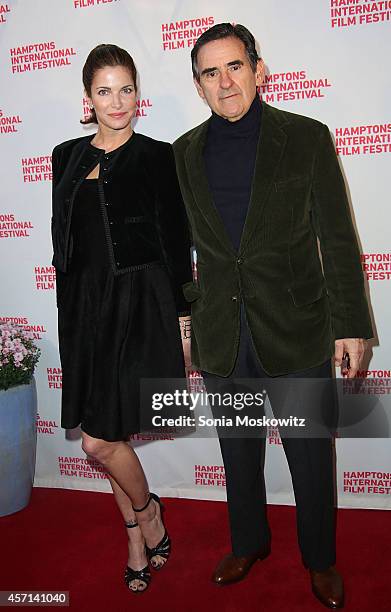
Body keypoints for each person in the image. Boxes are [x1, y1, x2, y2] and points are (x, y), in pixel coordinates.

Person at [173, 23, 373, 609]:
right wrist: (187, 319)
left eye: (235, 66)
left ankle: (319, 559)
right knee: (237, 449)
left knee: (311, 451)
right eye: (211, 73)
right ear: (198, 86)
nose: (225, 81)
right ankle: (248, 542)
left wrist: (351, 322)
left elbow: (336, 237)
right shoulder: (183, 154)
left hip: (296, 325)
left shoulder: (306, 138)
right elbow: (179, 249)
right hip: (222, 331)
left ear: (259, 69)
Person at [51, 44, 192, 593]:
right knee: (107, 437)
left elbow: (177, 244)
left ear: (139, 94)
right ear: (87, 98)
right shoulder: (64, 156)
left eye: (126, 89)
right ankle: (137, 532)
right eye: (105, 91)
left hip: (139, 309)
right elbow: (65, 240)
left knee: (98, 441)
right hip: (84, 313)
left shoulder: (158, 156)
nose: (117, 102)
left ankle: (148, 512)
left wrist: (183, 319)